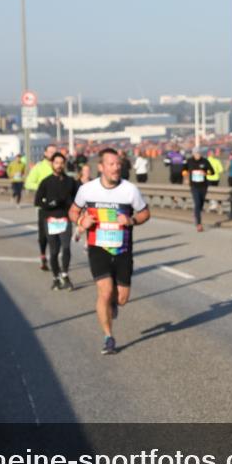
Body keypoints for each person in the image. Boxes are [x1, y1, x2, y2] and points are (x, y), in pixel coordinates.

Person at [69, 148, 151, 355]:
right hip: (98, 248)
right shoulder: (87, 189)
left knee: (121, 298)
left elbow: (145, 213)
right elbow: (73, 210)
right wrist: (81, 221)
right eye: (112, 164)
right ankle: (108, 337)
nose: (116, 168)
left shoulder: (129, 190)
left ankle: (114, 303)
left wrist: (131, 220)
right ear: (101, 167)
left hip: (123, 249)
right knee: (104, 292)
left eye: (118, 164)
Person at [35, 152, 80, 290]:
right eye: (56, 163)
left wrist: (73, 207)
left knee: (66, 248)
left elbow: (78, 199)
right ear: (52, 164)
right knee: (54, 251)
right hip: (50, 220)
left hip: (65, 219)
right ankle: (56, 278)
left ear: (64, 164)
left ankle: (65, 275)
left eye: (61, 163)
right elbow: (37, 201)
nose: (59, 165)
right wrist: (50, 204)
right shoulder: (46, 182)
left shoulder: (70, 182)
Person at [25, 144, 58, 270]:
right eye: (50, 152)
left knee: (57, 233)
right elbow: (28, 183)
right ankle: (43, 255)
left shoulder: (59, 167)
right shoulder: (39, 167)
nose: (52, 154)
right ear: (45, 153)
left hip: (58, 206)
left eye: (55, 152)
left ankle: (54, 258)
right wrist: (42, 187)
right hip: (43, 206)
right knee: (43, 234)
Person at [185, 147, 212, 232]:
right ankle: (199, 224)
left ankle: (196, 214)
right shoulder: (189, 161)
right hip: (194, 185)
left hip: (204, 186)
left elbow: (212, 171)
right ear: (193, 154)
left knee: (201, 203)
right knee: (197, 203)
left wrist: (205, 173)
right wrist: (186, 178)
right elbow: (184, 170)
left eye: (199, 153)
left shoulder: (205, 161)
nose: (197, 155)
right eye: (196, 153)